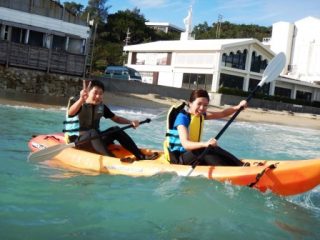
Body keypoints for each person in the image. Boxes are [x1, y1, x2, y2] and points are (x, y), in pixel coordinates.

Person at [63, 79, 157, 161]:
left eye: (100, 94)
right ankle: (111, 158)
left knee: (115, 129)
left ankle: (140, 155)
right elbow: (71, 113)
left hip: (96, 139)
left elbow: (116, 118)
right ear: (88, 93)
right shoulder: (80, 104)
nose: (98, 96)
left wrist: (130, 122)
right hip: (80, 142)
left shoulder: (101, 107)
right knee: (93, 132)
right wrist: (81, 100)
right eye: (95, 93)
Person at [163, 89, 247, 166]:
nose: (202, 108)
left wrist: (238, 106)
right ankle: (230, 170)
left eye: (205, 105)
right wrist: (205, 144)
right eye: (199, 104)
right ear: (190, 103)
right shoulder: (182, 118)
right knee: (205, 148)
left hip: (193, 155)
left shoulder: (201, 115)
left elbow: (222, 113)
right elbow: (186, 144)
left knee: (212, 148)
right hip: (178, 159)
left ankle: (239, 165)